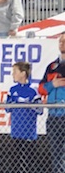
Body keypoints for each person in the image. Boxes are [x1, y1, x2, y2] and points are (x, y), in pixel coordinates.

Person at [0, 61, 42, 173]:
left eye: (15, 72)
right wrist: (16, 103)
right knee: (14, 164)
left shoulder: (33, 90)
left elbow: (40, 110)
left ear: (23, 73)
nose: (13, 74)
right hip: (15, 133)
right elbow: (7, 108)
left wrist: (28, 104)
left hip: (29, 134)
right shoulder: (12, 90)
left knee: (30, 164)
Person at [38, 33, 65, 173]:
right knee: (56, 154)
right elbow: (41, 89)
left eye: (64, 41)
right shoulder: (52, 66)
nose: (62, 44)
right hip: (53, 117)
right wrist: (53, 84)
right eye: (60, 41)